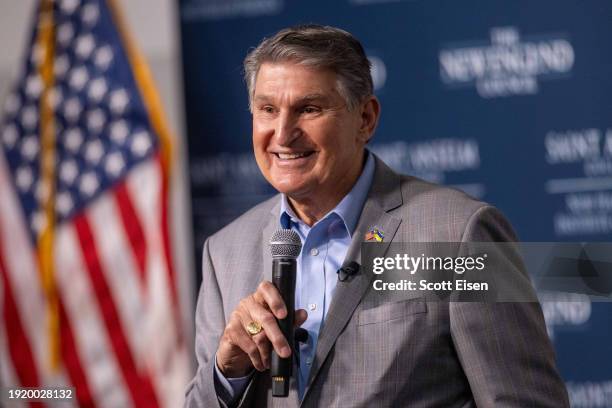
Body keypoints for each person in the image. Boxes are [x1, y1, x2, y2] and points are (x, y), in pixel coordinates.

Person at [184, 24, 569, 407]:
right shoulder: (225, 252)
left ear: (365, 119)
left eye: (309, 108)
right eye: (268, 109)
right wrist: (226, 372)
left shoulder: (459, 232)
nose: (283, 134)